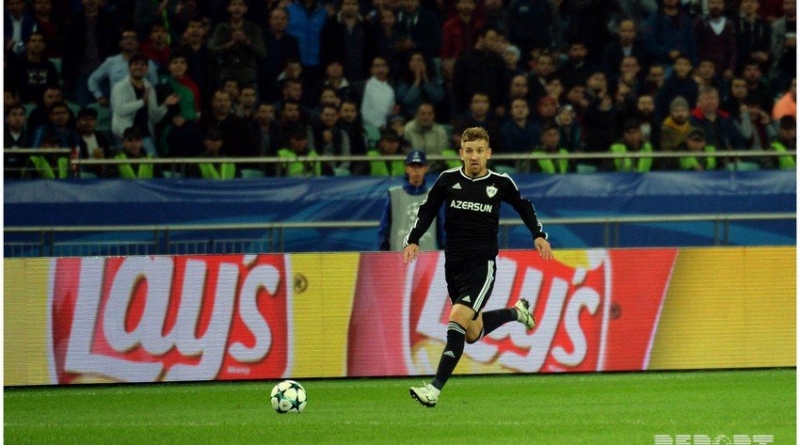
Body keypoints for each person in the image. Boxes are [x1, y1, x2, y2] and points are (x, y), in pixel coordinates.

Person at [403, 126, 553, 408]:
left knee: (457, 319)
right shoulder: (448, 180)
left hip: (482, 266)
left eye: (480, 151)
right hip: (453, 266)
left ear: (489, 154)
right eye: (469, 151)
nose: (474, 156)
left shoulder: (501, 182)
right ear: (461, 153)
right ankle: (517, 312)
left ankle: (434, 389)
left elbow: (524, 206)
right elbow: (428, 209)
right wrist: (413, 239)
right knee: (471, 333)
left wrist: (538, 234)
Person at [377, 150, 444, 251]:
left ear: (426, 168)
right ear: (406, 168)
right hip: (399, 256)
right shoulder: (394, 195)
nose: (416, 170)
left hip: (428, 257)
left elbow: (442, 232)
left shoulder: (435, 196)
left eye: (420, 166)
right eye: (413, 166)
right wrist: (381, 254)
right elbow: (384, 230)